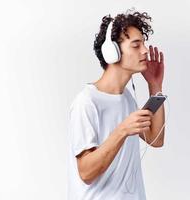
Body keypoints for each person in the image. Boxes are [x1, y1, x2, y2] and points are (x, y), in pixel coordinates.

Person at [67, 9, 165, 200]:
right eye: (136, 45)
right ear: (112, 52)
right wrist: (122, 130)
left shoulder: (127, 97)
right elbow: (86, 172)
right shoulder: (87, 102)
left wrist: (155, 86)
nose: (145, 50)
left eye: (143, 44)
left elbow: (156, 139)